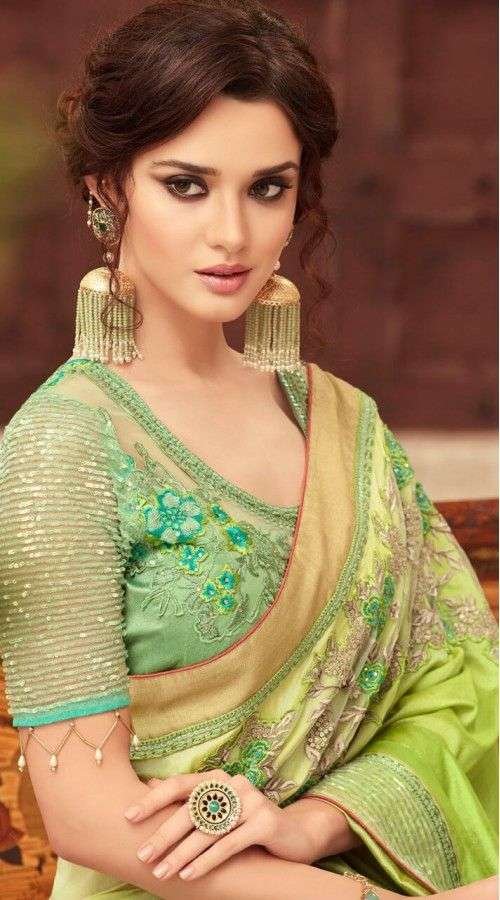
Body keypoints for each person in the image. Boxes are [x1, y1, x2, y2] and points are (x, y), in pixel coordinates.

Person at [0, 2, 497, 898]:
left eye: (267, 188)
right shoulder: (59, 449)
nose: (232, 234)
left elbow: (456, 685)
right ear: (108, 188)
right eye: (186, 186)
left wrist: (312, 824)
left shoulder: (342, 420)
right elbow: (87, 817)